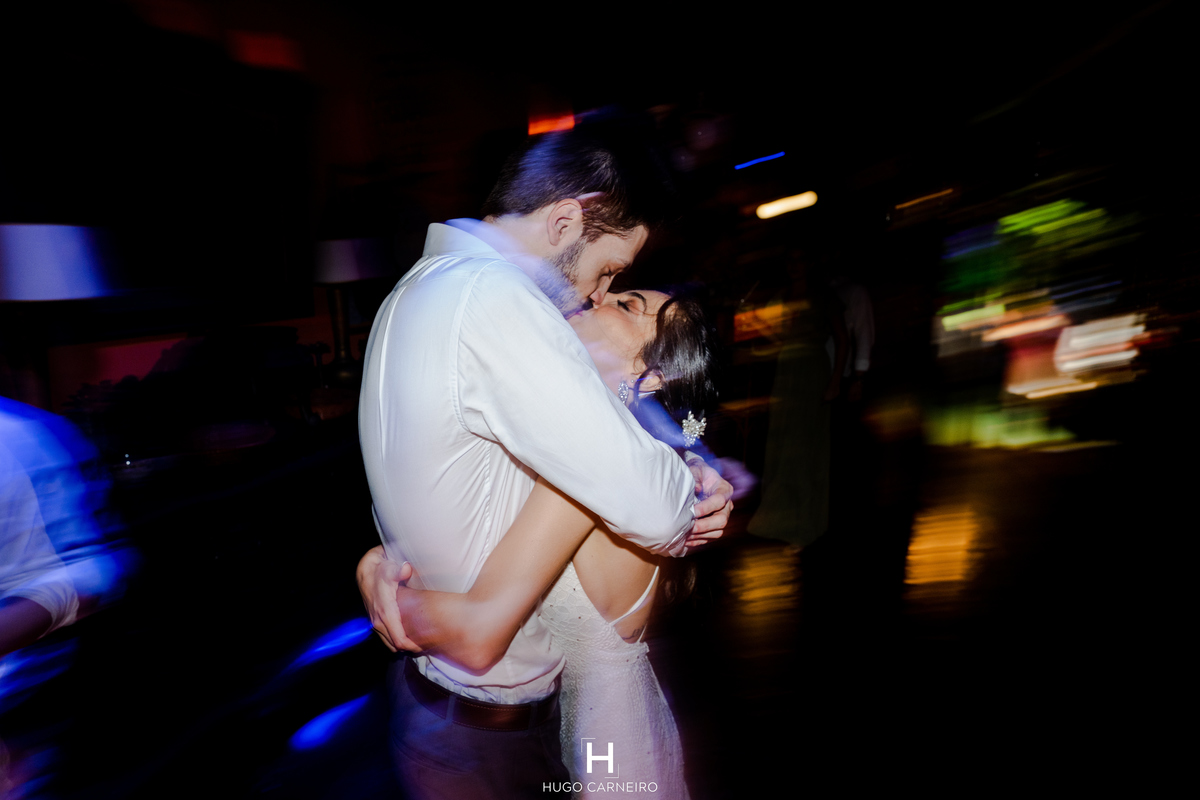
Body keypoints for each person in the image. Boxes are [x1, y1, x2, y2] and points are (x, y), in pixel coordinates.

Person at [357, 129, 732, 799]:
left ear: (650, 377)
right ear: (564, 221)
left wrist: (387, 592)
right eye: (610, 274)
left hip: (594, 751)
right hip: (505, 737)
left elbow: (478, 622)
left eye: (624, 297)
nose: (598, 294)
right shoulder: (498, 310)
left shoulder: (420, 289)